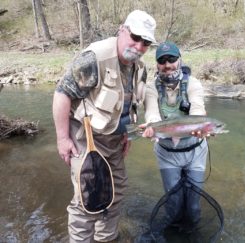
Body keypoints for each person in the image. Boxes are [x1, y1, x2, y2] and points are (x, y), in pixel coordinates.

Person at [52, 10, 156, 243]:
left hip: (115, 140)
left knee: (116, 192)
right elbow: (61, 95)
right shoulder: (94, 57)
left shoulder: (139, 67)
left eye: (146, 42)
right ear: (122, 30)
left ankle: (106, 238)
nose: (139, 46)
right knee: (86, 200)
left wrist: (125, 134)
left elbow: (128, 103)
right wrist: (62, 139)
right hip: (85, 136)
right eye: (135, 37)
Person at [137, 42, 208, 242]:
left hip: (196, 152)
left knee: (193, 205)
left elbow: (198, 110)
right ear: (157, 64)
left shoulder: (193, 83)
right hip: (167, 152)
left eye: (171, 59)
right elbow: (151, 113)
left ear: (179, 60)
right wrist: (152, 127)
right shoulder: (151, 88)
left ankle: (191, 231)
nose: (167, 64)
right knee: (173, 202)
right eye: (162, 61)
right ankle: (174, 232)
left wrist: (200, 125)